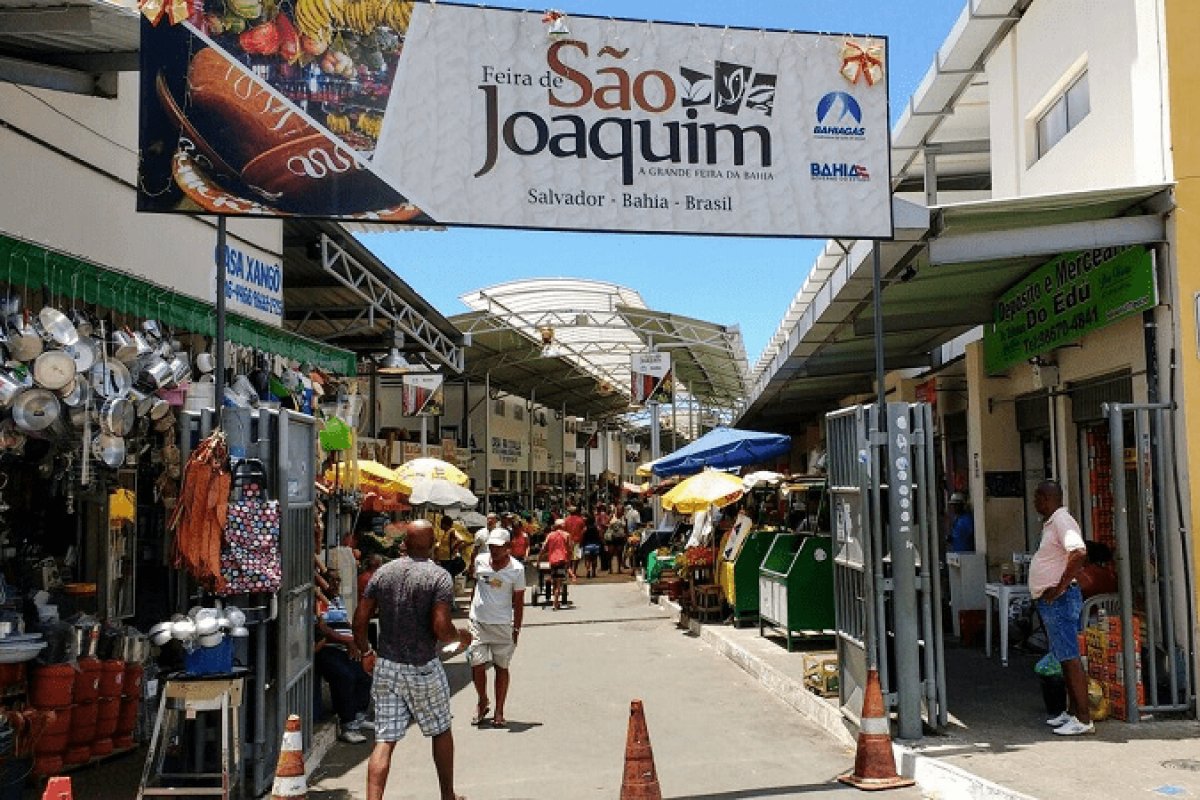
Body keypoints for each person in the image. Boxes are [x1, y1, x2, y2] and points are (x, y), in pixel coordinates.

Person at [352, 520, 473, 800]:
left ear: (404, 543)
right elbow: (442, 628)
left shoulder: (383, 573)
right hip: (423, 667)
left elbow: (360, 620)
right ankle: (447, 795)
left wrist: (367, 652)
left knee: (384, 739)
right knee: (440, 730)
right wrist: (461, 635)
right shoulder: (438, 577)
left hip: (388, 665)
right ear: (433, 545)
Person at [1029, 481, 1092, 736]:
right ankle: (1072, 712)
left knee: (1069, 657)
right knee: (1063, 659)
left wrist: (1059, 587)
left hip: (1060, 600)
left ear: (1046, 498)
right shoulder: (1053, 523)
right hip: (1053, 601)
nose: (1034, 503)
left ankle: (1084, 718)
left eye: (1036, 498)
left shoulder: (1061, 521)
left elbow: (1078, 551)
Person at [466, 528, 525, 728]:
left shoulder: (517, 570)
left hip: (502, 626)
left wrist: (516, 629)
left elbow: (518, 601)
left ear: (508, 547)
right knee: (477, 664)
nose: (494, 550)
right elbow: (476, 585)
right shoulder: (480, 561)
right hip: (478, 623)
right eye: (491, 546)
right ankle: (482, 700)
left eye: (499, 547)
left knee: (501, 668)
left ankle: (499, 710)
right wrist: (470, 608)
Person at [314, 570, 372, 743]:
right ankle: (348, 724)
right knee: (344, 677)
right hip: (327, 648)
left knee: (363, 676)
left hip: (345, 647)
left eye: (338, 580)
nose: (336, 584)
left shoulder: (337, 600)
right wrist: (347, 641)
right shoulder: (319, 600)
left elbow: (346, 623)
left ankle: (359, 716)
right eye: (332, 581)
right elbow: (323, 628)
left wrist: (359, 643)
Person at [541, 520, 574, 610]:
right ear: (562, 526)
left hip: (552, 561)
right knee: (558, 583)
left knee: (555, 581)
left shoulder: (550, 535)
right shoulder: (566, 535)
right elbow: (570, 549)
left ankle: (555, 600)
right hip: (562, 561)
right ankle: (555, 602)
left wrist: (539, 559)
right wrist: (569, 561)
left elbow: (544, 547)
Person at [562, 506, 586, 576]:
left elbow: (563, 530)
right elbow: (584, 530)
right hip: (577, 540)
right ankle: (574, 572)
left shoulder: (566, 520)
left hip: (568, 541)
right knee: (576, 557)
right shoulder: (580, 520)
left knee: (569, 557)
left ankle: (570, 572)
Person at [581, 513, 603, 578]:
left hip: (587, 545)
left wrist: (582, 543)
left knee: (587, 559)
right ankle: (593, 572)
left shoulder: (585, 528)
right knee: (594, 559)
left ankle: (588, 570)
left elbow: (582, 536)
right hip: (595, 545)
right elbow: (600, 535)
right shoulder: (597, 527)